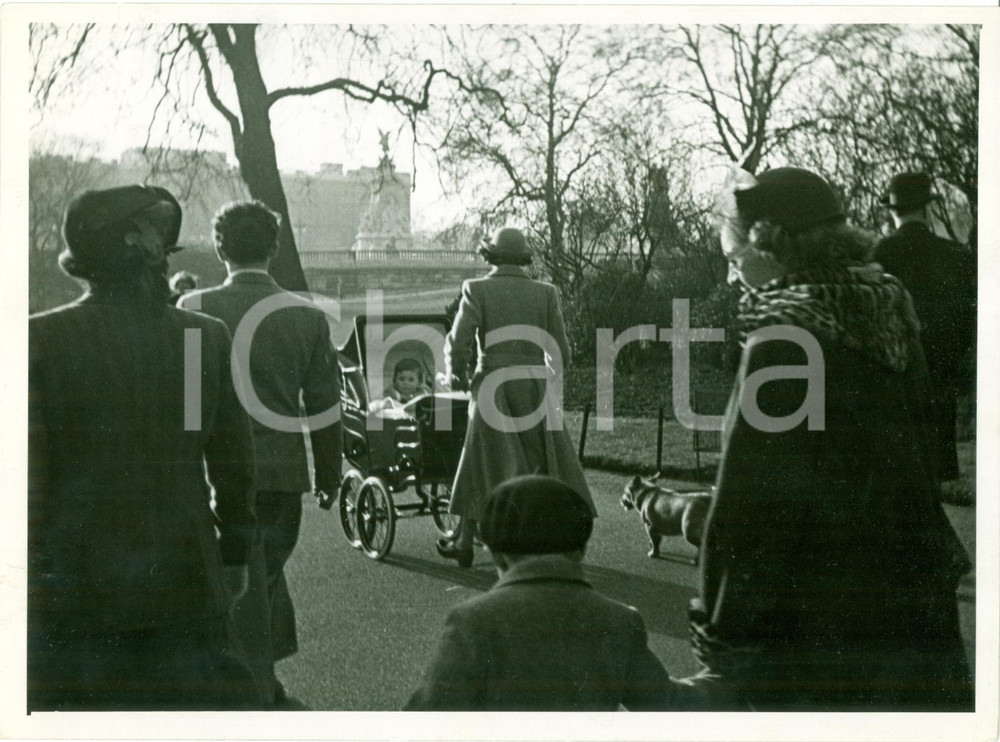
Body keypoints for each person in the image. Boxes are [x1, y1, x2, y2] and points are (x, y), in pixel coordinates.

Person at [691, 166, 974, 710]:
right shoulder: (892, 313)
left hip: (818, 620)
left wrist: (725, 632)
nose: (732, 278)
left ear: (767, 245)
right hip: (915, 605)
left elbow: (748, 507)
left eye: (733, 260)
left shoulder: (783, 339)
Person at [28, 185, 258, 710]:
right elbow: (228, 458)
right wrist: (236, 550)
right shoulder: (198, 338)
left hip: (73, 589)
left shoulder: (38, 343)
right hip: (186, 578)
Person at [178, 200, 343, 705]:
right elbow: (324, 405)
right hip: (279, 473)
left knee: (227, 581)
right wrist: (329, 473)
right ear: (274, 246)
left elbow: (186, 403)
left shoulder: (192, 308)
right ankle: (258, 681)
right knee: (265, 576)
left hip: (206, 472)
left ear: (220, 247)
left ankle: (245, 685)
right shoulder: (307, 316)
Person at [406, 475, 711, 711]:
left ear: (495, 552)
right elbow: (669, 705)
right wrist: (720, 668)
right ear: (581, 548)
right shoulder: (620, 622)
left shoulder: (472, 622)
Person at [437, 227, 594, 568]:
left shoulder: (476, 289)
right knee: (543, 463)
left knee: (481, 461)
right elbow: (561, 352)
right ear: (523, 256)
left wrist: (458, 376)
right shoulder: (546, 293)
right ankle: (546, 539)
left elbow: (458, 341)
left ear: (490, 254)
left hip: (493, 385)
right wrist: (546, 379)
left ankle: (465, 540)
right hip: (534, 386)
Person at [874, 172, 976, 484]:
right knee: (933, 478)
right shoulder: (958, 256)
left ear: (892, 211)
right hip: (941, 379)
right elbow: (968, 321)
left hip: (895, 380)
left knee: (900, 480)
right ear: (927, 208)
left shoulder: (877, 254)